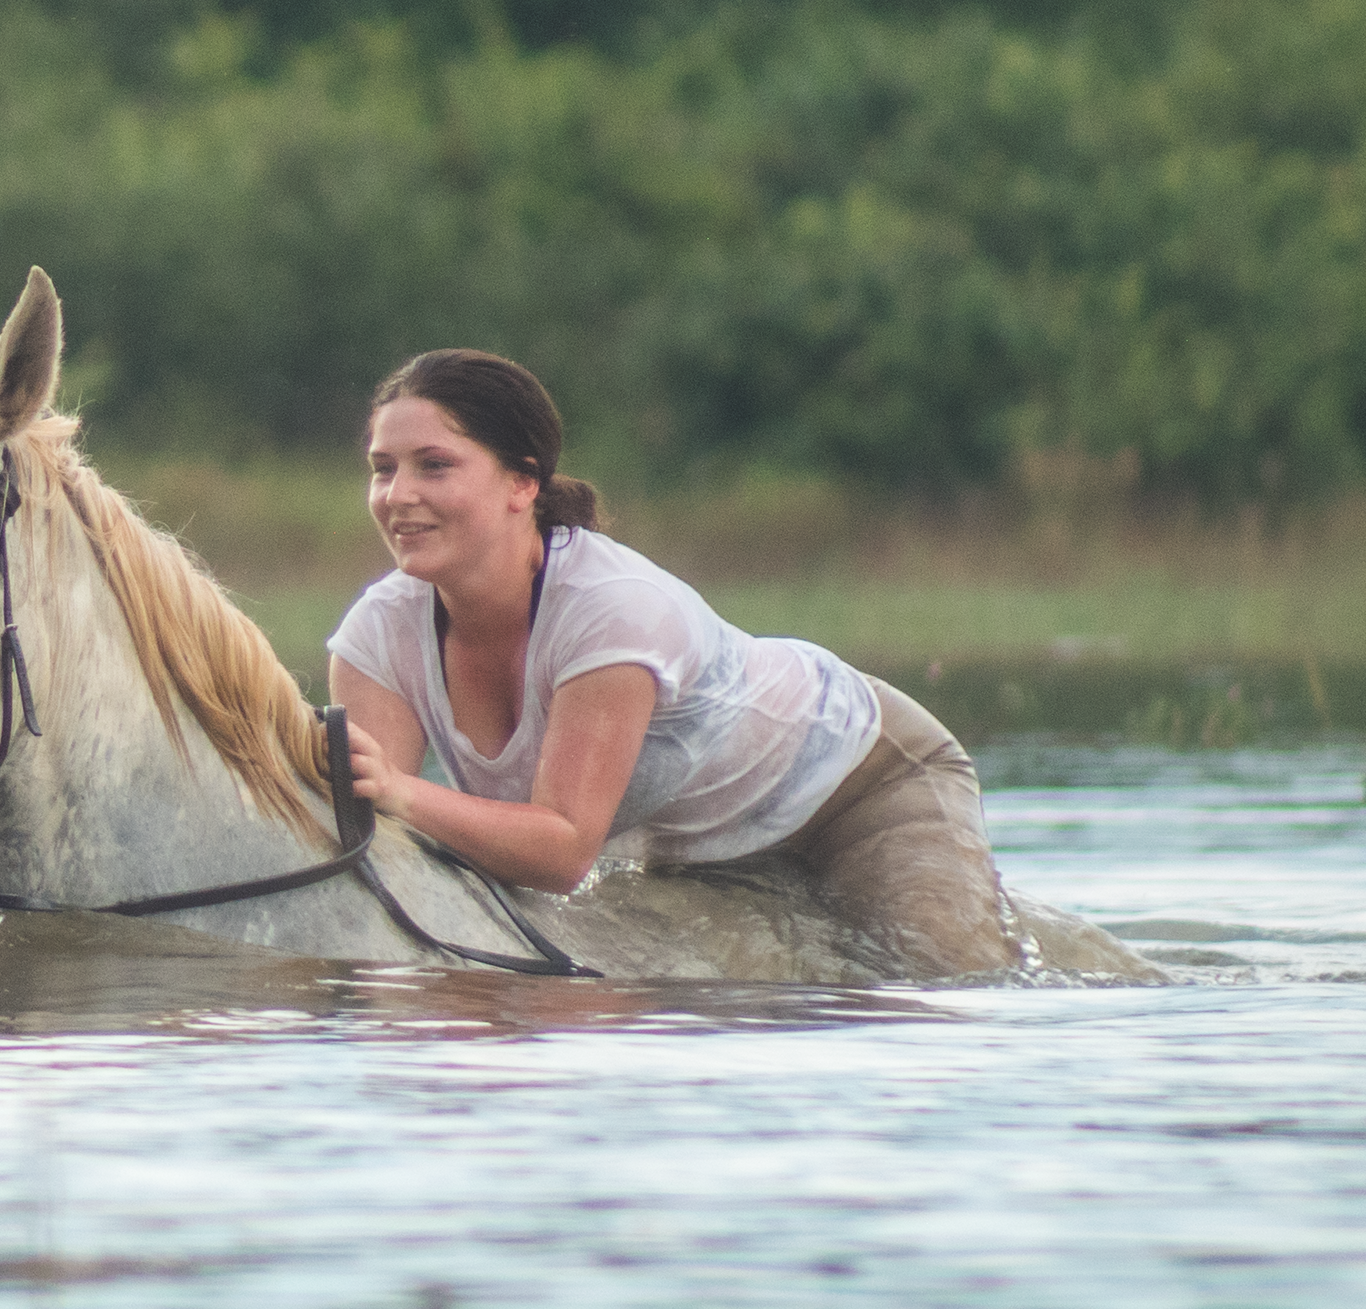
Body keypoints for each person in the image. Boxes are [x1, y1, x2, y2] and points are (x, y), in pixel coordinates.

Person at [327, 349, 1022, 976]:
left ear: (522, 484)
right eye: (382, 469)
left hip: (864, 787)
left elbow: (563, 852)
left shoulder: (609, 608)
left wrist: (404, 791)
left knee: (945, 981)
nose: (397, 495)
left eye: (435, 465)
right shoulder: (375, 634)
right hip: (688, 848)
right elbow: (370, 838)